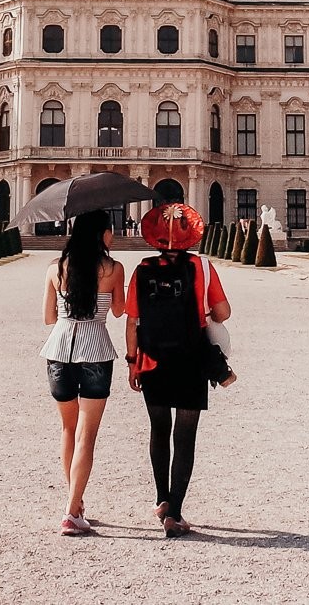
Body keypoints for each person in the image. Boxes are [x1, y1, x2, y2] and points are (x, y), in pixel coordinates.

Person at [126, 202, 233, 538]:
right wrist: (206, 314)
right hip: (191, 359)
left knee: (159, 430)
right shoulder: (202, 267)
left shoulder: (142, 269)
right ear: (191, 237)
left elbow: (132, 321)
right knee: (184, 438)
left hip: (152, 360)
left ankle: (160, 499)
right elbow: (224, 312)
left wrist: (132, 363)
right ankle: (175, 511)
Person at [40, 209, 125, 536]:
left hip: (59, 352)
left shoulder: (55, 268)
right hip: (96, 352)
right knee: (86, 436)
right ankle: (72, 511)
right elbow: (118, 311)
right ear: (101, 234)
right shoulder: (113, 269)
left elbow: (48, 317)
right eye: (110, 230)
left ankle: (75, 504)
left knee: (68, 430)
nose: (113, 236)